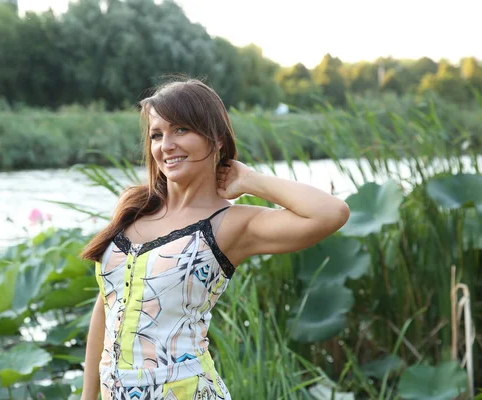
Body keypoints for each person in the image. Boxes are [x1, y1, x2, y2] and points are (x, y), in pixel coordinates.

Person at [79, 78, 350, 400]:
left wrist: (250, 180)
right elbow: (106, 306)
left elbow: (331, 213)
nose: (166, 145)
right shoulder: (134, 207)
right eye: (157, 134)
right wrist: (88, 396)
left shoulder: (230, 224)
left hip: (185, 391)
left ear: (217, 139)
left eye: (181, 130)